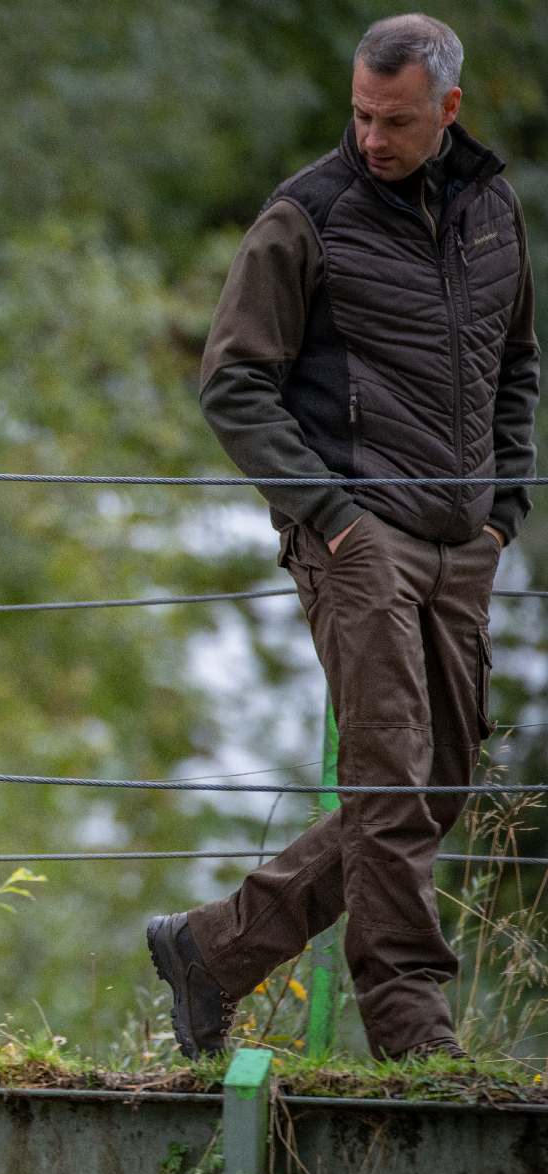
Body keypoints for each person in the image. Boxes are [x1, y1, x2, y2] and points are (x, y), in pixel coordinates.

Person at [148, 14, 539, 1060]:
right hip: (355, 538)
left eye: (396, 120)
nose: (372, 137)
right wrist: (333, 518)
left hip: (463, 543)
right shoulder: (305, 216)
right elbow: (232, 383)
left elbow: (516, 367)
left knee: (439, 780)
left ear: (448, 109)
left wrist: (505, 513)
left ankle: (214, 948)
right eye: (360, 115)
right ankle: (412, 1031)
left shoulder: (493, 209)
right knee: (388, 779)